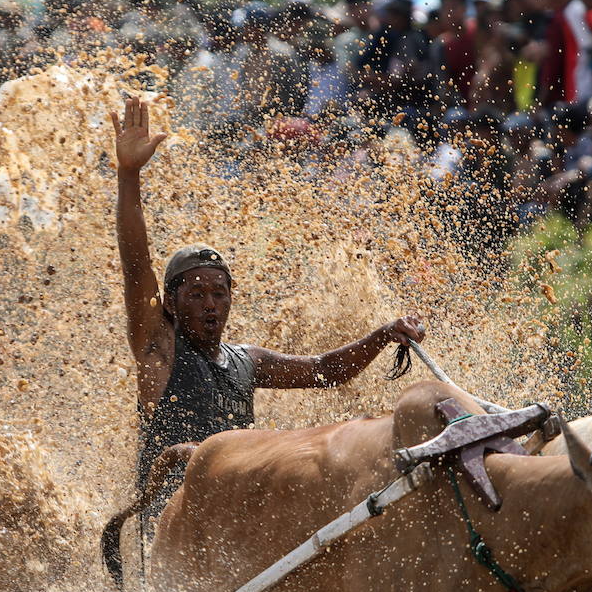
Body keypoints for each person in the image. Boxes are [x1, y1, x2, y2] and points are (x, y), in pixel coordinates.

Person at [108, 98, 425, 497]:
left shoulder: (246, 360)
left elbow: (325, 371)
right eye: (197, 294)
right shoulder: (160, 348)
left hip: (238, 521)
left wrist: (384, 334)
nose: (210, 304)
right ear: (170, 303)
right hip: (170, 523)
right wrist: (129, 174)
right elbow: (136, 263)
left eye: (219, 294)